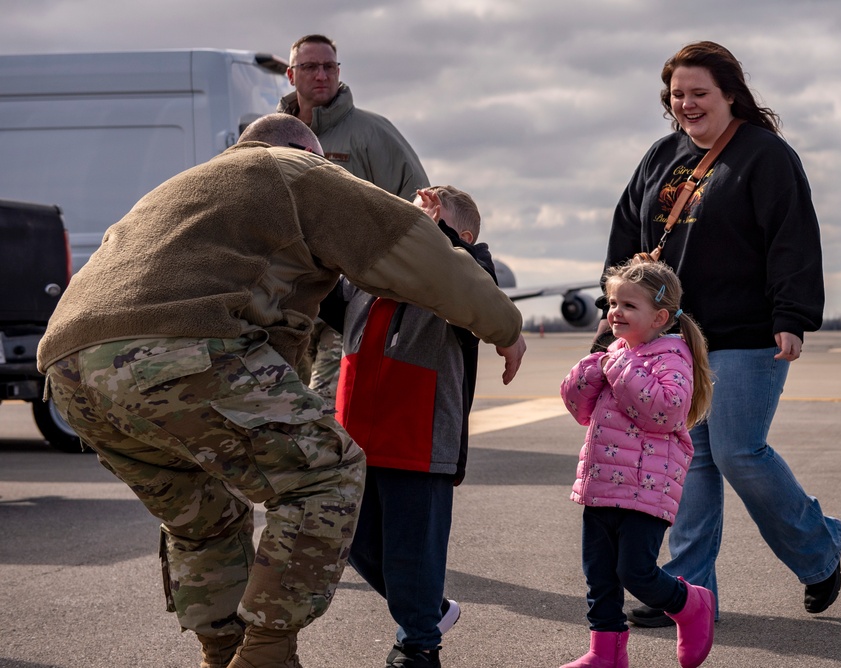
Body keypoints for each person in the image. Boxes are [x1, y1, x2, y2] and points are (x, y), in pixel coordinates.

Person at [37, 113, 526, 668]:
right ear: (306, 153)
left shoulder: (181, 190)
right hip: (176, 351)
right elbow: (418, 250)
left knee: (204, 516)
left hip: (71, 370)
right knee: (327, 474)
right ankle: (265, 657)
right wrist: (505, 328)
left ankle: (222, 653)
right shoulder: (295, 170)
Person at [597, 41, 841, 630]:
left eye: (698, 93)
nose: (686, 104)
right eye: (677, 94)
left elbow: (793, 236)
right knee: (690, 463)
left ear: (730, 93)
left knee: (737, 452)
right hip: (673, 337)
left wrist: (792, 315)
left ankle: (819, 551)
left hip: (746, 334)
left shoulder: (765, 156)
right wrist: (613, 322)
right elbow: (624, 241)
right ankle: (687, 592)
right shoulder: (661, 157)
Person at [322, 185, 492, 668]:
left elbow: (478, 276)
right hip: (356, 439)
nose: (408, 227)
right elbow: (321, 289)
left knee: (411, 552)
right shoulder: (369, 283)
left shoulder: (463, 282)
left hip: (419, 441)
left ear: (458, 236)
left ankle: (418, 643)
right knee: (354, 543)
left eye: (424, 220)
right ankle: (430, 610)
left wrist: (438, 234)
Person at [560, 257, 716, 668]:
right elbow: (580, 409)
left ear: (659, 317)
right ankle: (604, 652)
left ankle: (690, 603)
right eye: (612, 303)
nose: (615, 312)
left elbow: (665, 411)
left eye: (629, 306)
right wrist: (586, 373)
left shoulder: (671, 355)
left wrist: (620, 365)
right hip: (601, 485)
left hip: (645, 491)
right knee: (599, 576)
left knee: (635, 572)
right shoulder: (614, 354)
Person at [279, 33, 430, 407]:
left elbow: (419, 205)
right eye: (310, 67)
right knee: (282, 406)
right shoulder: (273, 137)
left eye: (329, 67)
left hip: (349, 298)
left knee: (328, 406)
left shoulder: (373, 134)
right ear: (290, 75)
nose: (321, 75)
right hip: (285, 300)